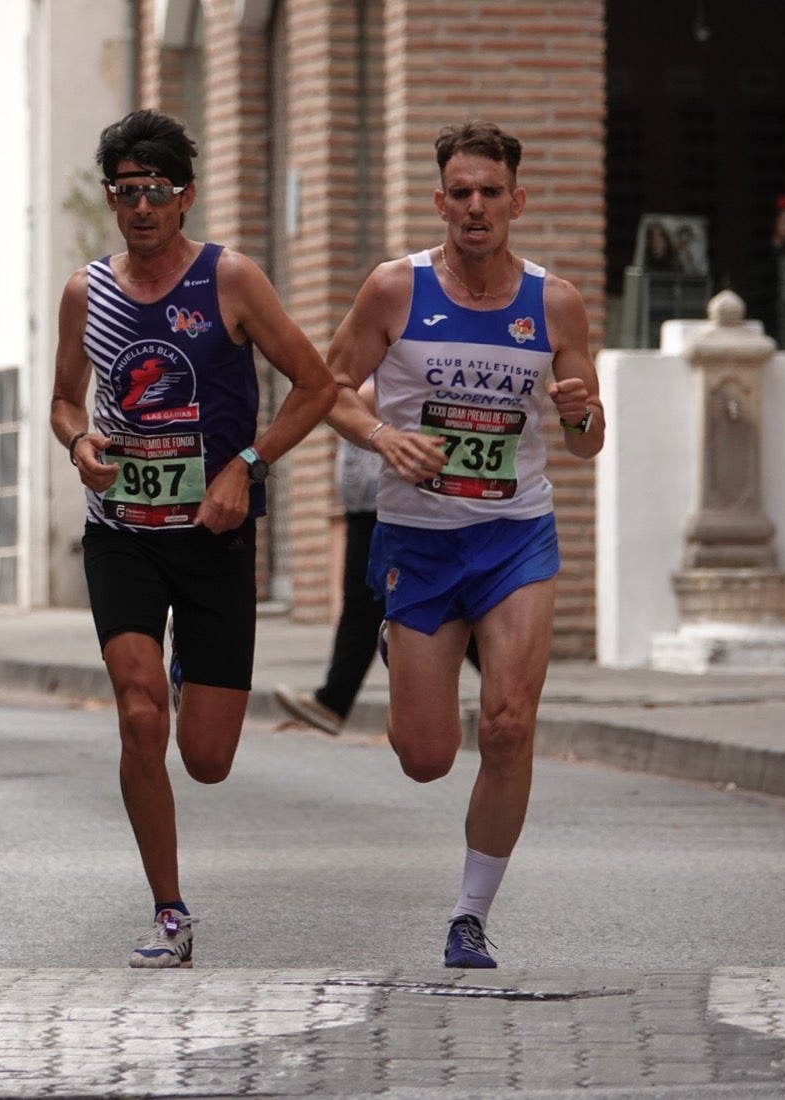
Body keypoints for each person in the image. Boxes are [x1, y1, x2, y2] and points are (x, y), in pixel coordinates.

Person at [50, 109, 336, 968]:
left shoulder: (232, 281)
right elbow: (65, 401)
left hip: (212, 534)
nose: (141, 208)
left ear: (186, 199)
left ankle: (189, 665)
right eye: (127, 192)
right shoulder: (85, 292)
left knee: (206, 758)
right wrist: (79, 443)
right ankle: (169, 913)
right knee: (141, 717)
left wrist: (246, 463)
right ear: (112, 198)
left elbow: (317, 386)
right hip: (124, 532)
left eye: (158, 192)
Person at [324, 120, 604, 968]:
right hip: (419, 536)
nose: (475, 207)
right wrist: (381, 437)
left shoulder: (554, 303)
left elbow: (587, 440)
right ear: (438, 199)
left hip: (516, 534)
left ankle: (469, 918)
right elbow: (326, 389)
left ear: (516, 201)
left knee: (511, 726)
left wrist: (580, 412)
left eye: (491, 192)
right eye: (461, 192)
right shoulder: (393, 290)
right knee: (425, 757)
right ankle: (398, 639)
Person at [273, 383, 481, 735]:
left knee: (372, 606)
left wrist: (341, 391)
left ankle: (334, 701)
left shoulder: (396, 365)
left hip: (392, 509)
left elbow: (342, 398)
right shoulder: (367, 360)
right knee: (365, 607)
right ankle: (333, 702)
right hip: (366, 508)